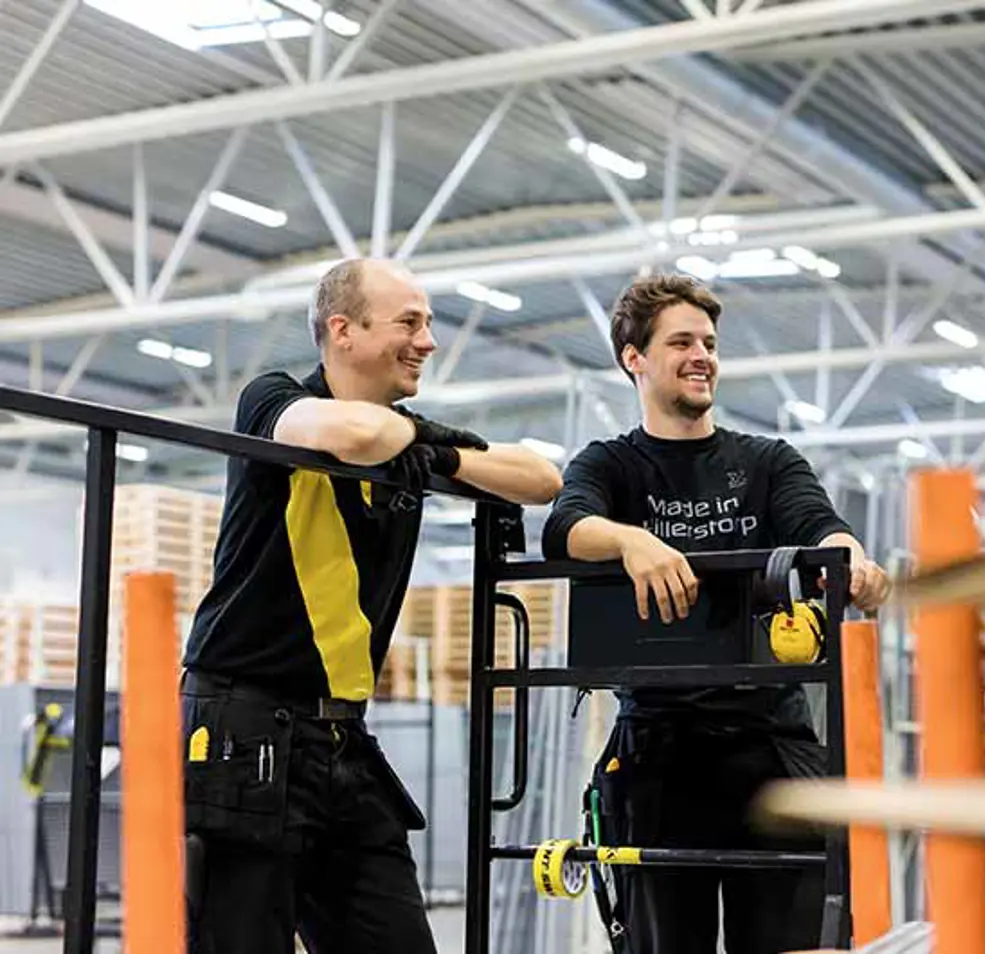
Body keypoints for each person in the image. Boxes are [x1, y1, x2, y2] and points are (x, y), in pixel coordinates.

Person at [180, 258, 562, 954]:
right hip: (246, 726)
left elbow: (540, 478)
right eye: (409, 323)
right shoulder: (271, 400)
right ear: (343, 330)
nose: (428, 341)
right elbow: (355, 438)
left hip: (342, 743)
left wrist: (437, 456)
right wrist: (427, 442)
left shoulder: (407, 439)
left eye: (429, 324)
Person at [540, 274, 891, 954]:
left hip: (773, 752)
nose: (702, 355)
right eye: (681, 342)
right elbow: (565, 526)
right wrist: (631, 539)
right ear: (634, 358)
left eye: (708, 342)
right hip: (662, 757)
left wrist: (854, 562)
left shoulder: (765, 461)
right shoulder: (612, 465)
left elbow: (822, 527)